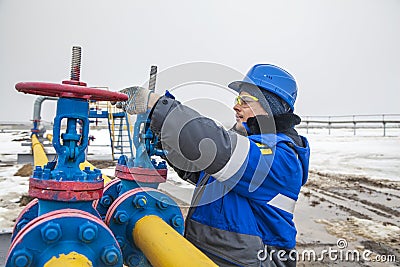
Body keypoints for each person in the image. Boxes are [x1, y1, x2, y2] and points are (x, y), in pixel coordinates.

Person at [119, 64, 310, 266]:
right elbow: (199, 168)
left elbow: (218, 146)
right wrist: (163, 137)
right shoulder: (244, 151)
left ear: (272, 109)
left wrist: (158, 106)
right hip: (209, 256)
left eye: (245, 101)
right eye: (237, 99)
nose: (236, 106)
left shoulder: (282, 158)